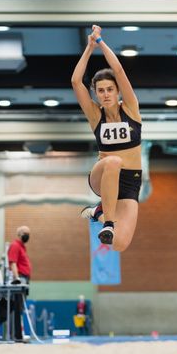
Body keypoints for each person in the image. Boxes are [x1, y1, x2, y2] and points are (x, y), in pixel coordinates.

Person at [72, 24, 142, 251]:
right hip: (102, 175)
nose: (105, 94)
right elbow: (75, 82)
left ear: (118, 91)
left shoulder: (130, 108)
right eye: (100, 90)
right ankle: (109, 222)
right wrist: (89, 47)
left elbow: (119, 71)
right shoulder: (95, 115)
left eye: (110, 89)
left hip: (130, 181)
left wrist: (100, 42)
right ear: (96, 93)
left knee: (120, 245)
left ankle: (97, 212)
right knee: (113, 161)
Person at [8, 226, 32, 342]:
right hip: (20, 280)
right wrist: (17, 279)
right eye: (24, 232)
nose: (27, 235)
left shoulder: (22, 247)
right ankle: (17, 336)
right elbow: (13, 263)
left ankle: (18, 334)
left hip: (24, 279)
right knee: (17, 308)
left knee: (20, 307)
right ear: (19, 234)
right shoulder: (15, 246)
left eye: (28, 233)